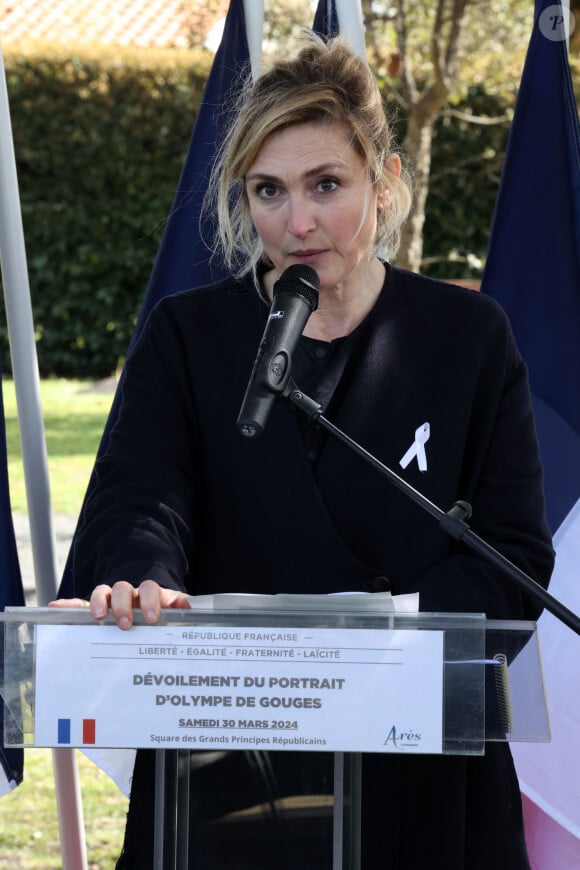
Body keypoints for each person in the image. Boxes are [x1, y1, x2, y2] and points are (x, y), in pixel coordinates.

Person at [52, 35, 554, 869]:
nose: (299, 221)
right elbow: (139, 506)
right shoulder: (188, 337)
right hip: (229, 763)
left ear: (384, 181)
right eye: (269, 191)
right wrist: (144, 577)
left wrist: (359, 657)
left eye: (328, 185)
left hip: (421, 774)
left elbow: (511, 554)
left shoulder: (467, 337)